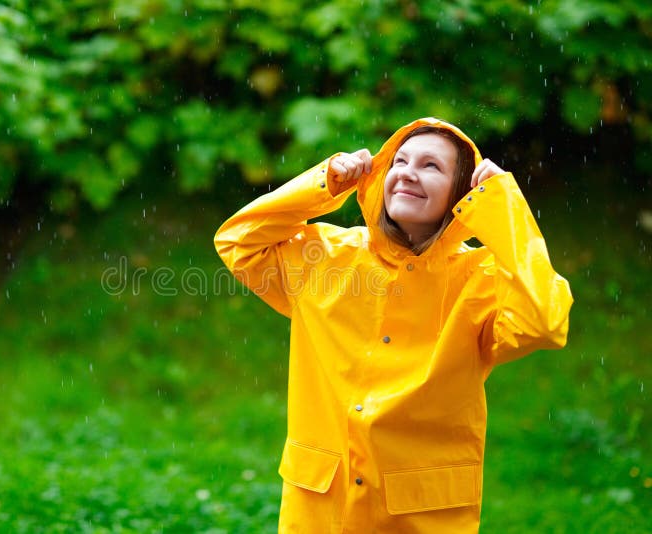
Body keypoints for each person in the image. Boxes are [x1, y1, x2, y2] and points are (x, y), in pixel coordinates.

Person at [214, 117, 573, 532]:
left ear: (462, 193)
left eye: (430, 166)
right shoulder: (326, 256)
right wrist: (324, 183)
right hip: (321, 510)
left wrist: (504, 211)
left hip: (419, 516)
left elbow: (545, 322)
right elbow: (238, 241)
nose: (407, 172)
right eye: (399, 161)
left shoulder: (483, 278)